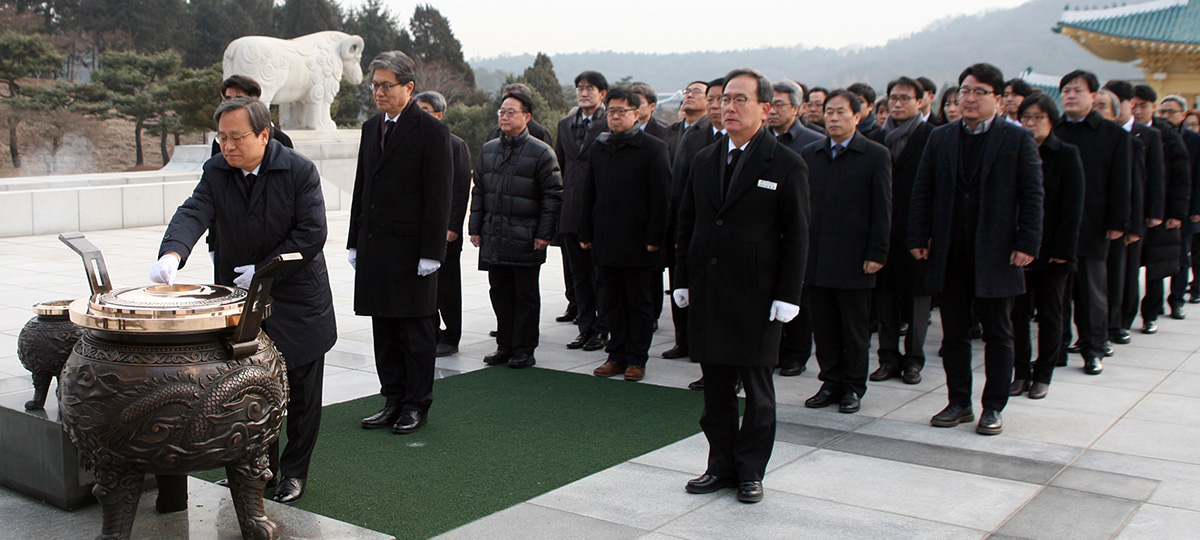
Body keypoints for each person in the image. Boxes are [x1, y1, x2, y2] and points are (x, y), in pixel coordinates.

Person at [150, 97, 337, 505]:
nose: (228, 146)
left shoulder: (298, 171)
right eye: (221, 138)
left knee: (301, 394)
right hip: (243, 302)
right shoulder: (217, 170)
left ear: (264, 135)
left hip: (296, 300)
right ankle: (258, 470)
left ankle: (294, 472)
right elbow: (194, 211)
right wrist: (172, 253)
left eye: (237, 137)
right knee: (248, 390)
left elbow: (311, 234)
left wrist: (265, 270)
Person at [676, 68, 809, 504]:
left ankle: (751, 470)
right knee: (715, 393)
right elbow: (689, 222)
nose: (728, 107)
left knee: (758, 394)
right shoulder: (704, 158)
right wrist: (681, 279)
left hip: (758, 298)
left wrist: (788, 296)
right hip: (711, 292)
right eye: (724, 99)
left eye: (739, 100)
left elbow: (798, 235)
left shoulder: (786, 163)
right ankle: (720, 465)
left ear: (765, 109)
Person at [909, 63, 1044, 436]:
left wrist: (1027, 242)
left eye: (978, 92)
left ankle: (993, 406)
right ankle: (959, 402)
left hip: (997, 251)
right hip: (950, 249)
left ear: (998, 100)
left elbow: (1032, 194)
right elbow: (923, 191)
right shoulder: (941, 138)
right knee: (953, 331)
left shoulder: (1017, 139)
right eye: (964, 91)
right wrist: (918, 237)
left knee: (999, 332)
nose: (968, 98)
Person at [349, 51, 453, 435]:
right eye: (374, 85)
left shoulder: (431, 130)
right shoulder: (370, 128)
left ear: (408, 87)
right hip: (376, 246)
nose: (378, 92)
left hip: (412, 252)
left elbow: (439, 195)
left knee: (416, 333)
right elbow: (363, 186)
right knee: (385, 330)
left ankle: (416, 404)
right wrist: (354, 240)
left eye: (385, 85)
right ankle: (392, 399)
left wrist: (431, 252)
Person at [800, 89, 892, 414]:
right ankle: (830, 381)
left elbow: (883, 208)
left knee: (854, 329)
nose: (834, 118)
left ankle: (853, 386)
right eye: (829, 112)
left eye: (841, 112)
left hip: (855, 258)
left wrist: (877, 252)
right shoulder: (812, 153)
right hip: (818, 256)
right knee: (824, 327)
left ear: (858, 116)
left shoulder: (875, 155)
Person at [580, 87, 671, 381]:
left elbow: (662, 198)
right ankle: (615, 355)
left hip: (639, 242)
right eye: (611, 112)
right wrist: (586, 230)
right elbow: (588, 193)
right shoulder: (599, 146)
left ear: (637, 114)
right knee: (611, 301)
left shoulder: (653, 148)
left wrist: (655, 238)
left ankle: (637, 359)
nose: (615, 117)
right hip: (606, 238)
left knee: (639, 303)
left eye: (622, 111)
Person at [470, 91, 563, 368]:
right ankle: (504, 344)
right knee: (499, 291)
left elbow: (553, 195)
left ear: (527, 117)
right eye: (502, 112)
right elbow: (479, 192)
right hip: (494, 235)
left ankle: (524, 348)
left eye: (511, 112)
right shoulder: (488, 150)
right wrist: (475, 228)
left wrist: (544, 234)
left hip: (526, 237)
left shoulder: (541, 152)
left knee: (525, 296)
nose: (505, 117)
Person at [1053, 69, 1132, 376]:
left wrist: (1118, 221)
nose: (1070, 96)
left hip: (1093, 223)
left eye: (1077, 90)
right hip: (1057, 225)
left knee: (1091, 292)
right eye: (1066, 91)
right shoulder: (1055, 130)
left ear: (1094, 96)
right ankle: (1056, 347)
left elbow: (1121, 182)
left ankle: (1093, 348)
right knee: (1057, 292)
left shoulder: (1113, 135)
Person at [1009, 93, 1085, 400]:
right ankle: (1020, 372)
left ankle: (1043, 374)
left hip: (1053, 249)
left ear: (1051, 120)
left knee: (1052, 314)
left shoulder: (1067, 154)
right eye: (1025, 117)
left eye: (1038, 117)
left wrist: (1063, 250)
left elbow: (1073, 206)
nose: (1030, 123)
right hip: (1019, 248)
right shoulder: (1013, 152)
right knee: (1017, 313)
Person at [870, 77, 935, 386]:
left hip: (918, 231)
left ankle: (914, 360)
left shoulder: (933, 136)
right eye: (893, 98)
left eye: (905, 98)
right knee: (885, 298)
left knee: (918, 299)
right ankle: (887, 357)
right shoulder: (874, 138)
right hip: (883, 229)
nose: (898, 104)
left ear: (920, 102)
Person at [769, 78, 822, 377]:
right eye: (770, 104)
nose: (773, 110)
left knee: (798, 294)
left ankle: (796, 355)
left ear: (797, 108)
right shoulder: (760, 140)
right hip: (767, 230)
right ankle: (774, 350)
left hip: (800, 227)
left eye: (780, 104)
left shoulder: (812, 142)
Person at [414, 91, 473, 358]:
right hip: (420, 230)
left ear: (439, 114)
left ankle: (451, 335)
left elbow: (460, 191)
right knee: (426, 287)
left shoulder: (455, 145)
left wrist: (452, 228)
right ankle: (431, 332)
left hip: (446, 233)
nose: (419, 114)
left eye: (425, 109)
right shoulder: (411, 142)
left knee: (448, 287)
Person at [556, 71, 611, 353]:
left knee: (600, 275)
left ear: (602, 93)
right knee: (578, 275)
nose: (584, 92)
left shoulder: (610, 123)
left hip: (600, 213)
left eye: (590, 88)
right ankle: (585, 327)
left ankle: (603, 329)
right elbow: (561, 167)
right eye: (579, 88)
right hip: (571, 211)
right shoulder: (565, 124)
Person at [662, 80, 713, 362]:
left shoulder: (710, 133)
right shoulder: (673, 133)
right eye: (687, 91)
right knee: (677, 279)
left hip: (700, 220)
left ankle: (699, 342)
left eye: (696, 92)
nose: (688, 96)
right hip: (675, 216)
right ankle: (682, 339)